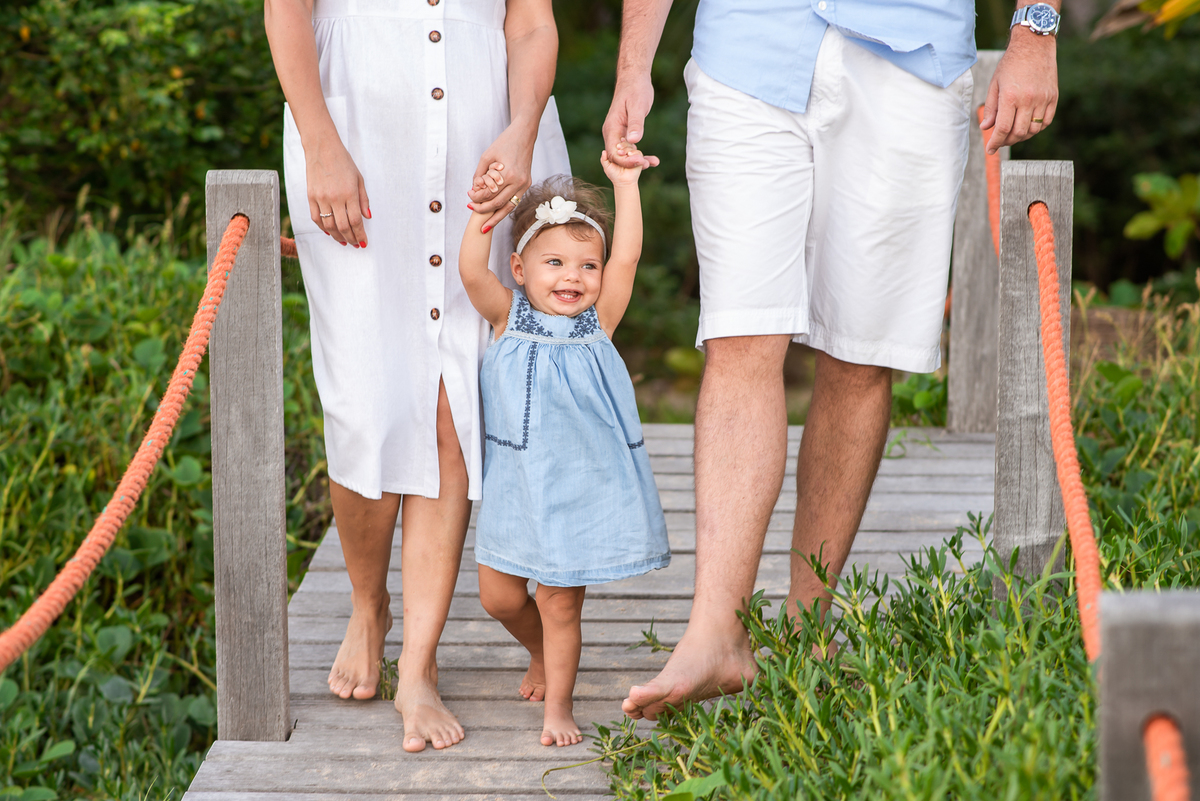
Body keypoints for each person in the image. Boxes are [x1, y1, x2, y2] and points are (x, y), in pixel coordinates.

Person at [603, 0, 1062, 721]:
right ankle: (714, 630)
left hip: (911, 59)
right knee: (739, 334)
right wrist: (634, 66)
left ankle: (805, 631)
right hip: (746, 51)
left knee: (858, 353)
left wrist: (1035, 32)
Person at [264, 0, 571, 751]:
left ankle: (420, 667)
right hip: (356, 140)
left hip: (486, 141)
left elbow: (530, 22)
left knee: (453, 397)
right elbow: (286, 11)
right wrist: (319, 141)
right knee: (363, 402)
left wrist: (522, 125)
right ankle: (369, 604)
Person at [457, 158, 671, 746]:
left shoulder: (597, 322)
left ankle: (560, 705)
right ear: (521, 269)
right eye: (554, 263)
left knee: (559, 605)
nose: (571, 276)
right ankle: (541, 655)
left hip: (580, 489)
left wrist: (625, 186)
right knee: (498, 597)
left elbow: (626, 257)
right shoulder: (507, 316)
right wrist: (481, 212)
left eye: (586, 265)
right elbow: (471, 271)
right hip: (518, 488)